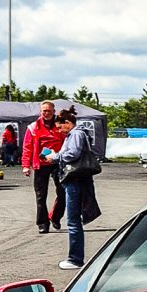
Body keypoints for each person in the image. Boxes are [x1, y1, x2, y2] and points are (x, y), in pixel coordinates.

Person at [53, 108, 96, 270]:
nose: (59, 130)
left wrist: (55, 156)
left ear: (68, 123)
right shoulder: (76, 134)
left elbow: (72, 154)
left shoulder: (76, 134)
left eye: (59, 127)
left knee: (73, 220)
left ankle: (75, 259)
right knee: (73, 219)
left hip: (75, 180)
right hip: (76, 180)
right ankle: (75, 258)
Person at [21, 101, 66, 234]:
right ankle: (42, 223)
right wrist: (25, 166)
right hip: (40, 164)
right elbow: (27, 147)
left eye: (48, 111)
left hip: (58, 163)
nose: (46, 113)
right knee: (41, 196)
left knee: (63, 192)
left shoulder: (60, 125)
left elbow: (67, 141)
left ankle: (55, 216)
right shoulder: (33, 127)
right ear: (40, 112)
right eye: (43, 111)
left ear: (54, 111)